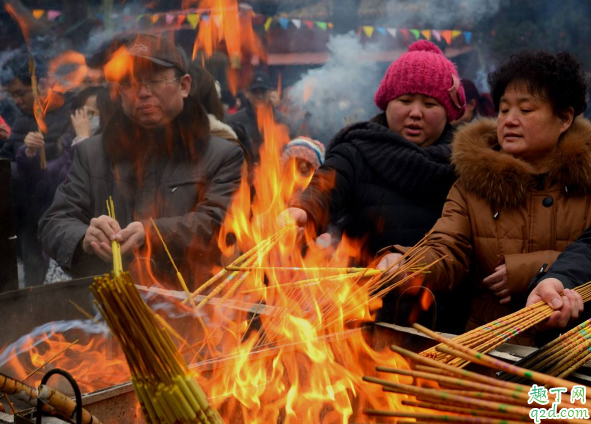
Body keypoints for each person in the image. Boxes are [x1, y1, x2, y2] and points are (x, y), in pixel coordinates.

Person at [378, 50, 591, 339]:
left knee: (553, 390)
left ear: (564, 118)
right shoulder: (474, 183)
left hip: (572, 352)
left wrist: (529, 270)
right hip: (489, 347)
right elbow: (446, 247)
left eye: (525, 110)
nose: (510, 120)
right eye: (504, 109)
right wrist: (408, 265)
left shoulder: (585, 182)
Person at [280, 40, 466, 328]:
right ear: (387, 103)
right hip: (361, 310)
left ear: (449, 113)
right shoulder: (358, 149)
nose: (415, 112)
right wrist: (302, 211)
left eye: (429, 104)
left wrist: (411, 265)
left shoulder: (465, 164)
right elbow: (326, 186)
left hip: (439, 323)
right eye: (405, 101)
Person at [39, 34, 245, 284]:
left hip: (190, 306)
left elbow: (217, 223)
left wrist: (152, 234)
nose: (143, 93)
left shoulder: (223, 155)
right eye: (130, 83)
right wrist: (86, 237)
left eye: (154, 80)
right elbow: (54, 221)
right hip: (108, 308)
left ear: (184, 85)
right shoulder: (91, 153)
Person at [0, 52, 73, 286]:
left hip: (63, 209)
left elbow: (71, 160)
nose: (17, 101)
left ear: (41, 85)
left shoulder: (70, 112)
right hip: (29, 216)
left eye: (20, 93)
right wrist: (23, 156)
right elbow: (7, 163)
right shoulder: (22, 120)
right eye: (12, 96)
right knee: (34, 281)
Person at [227, 71, 292, 163]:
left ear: (270, 92)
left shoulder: (284, 121)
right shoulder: (235, 121)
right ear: (247, 93)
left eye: (263, 91)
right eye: (255, 92)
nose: (260, 96)